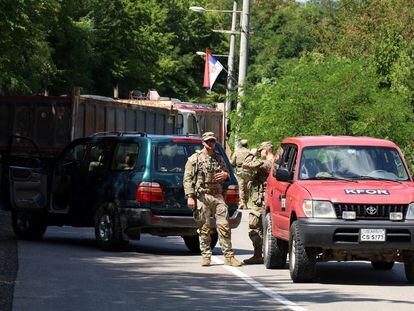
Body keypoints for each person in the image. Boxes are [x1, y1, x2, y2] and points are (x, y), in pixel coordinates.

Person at [183, 132, 243, 267]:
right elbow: (187, 180)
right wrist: (190, 197)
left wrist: (225, 175)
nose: (211, 144)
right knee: (204, 227)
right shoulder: (195, 159)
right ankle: (206, 255)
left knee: (224, 226)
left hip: (217, 196)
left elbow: (228, 173)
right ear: (203, 143)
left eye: (213, 141)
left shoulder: (218, 158)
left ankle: (229, 256)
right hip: (202, 196)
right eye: (209, 141)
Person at [242, 141, 274, 264]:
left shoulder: (267, 162)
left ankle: (258, 255)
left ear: (266, 150)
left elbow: (246, 163)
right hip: (267, 200)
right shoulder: (277, 161)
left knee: (255, 226)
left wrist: (252, 153)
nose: (260, 153)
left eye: (261, 151)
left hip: (262, 202)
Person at [230, 139, 251, 210]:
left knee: (240, 187)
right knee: (247, 187)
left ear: (240, 145)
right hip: (248, 171)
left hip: (239, 171)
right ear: (247, 145)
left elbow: (232, 163)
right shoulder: (250, 152)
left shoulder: (237, 152)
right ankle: (246, 203)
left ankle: (242, 202)